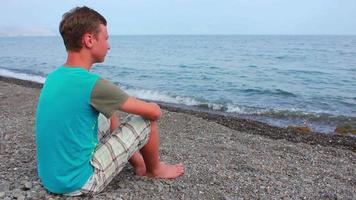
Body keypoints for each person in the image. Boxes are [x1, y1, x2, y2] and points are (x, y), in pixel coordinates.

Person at [35, 6, 184, 196]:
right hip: (78, 181)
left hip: (50, 176)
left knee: (108, 113)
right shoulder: (92, 84)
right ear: (89, 40)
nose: (109, 45)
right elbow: (153, 113)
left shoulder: (54, 76)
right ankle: (154, 170)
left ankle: (139, 164)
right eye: (106, 38)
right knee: (146, 121)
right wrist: (154, 106)